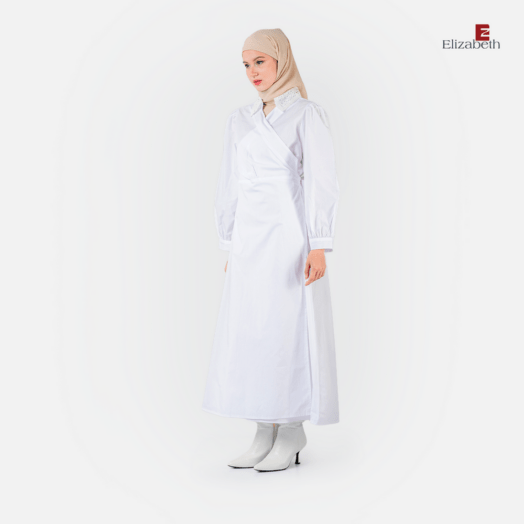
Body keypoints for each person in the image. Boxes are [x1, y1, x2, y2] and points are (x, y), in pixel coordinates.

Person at [202, 28, 340, 472]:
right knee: (252, 330)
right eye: (246, 64)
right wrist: (230, 241)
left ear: (281, 59)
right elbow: (230, 183)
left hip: (288, 238)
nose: (252, 72)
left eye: (259, 61)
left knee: (285, 330)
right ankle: (264, 427)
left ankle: (291, 427)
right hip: (250, 242)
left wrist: (319, 244)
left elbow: (321, 181)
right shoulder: (239, 119)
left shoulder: (306, 115)